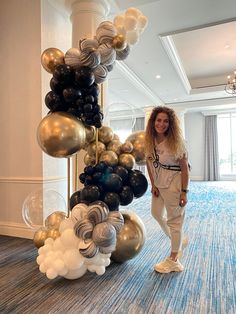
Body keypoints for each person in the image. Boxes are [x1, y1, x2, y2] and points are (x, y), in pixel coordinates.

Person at [145, 106, 189, 274]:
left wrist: (184, 191)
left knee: (175, 220)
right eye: (158, 120)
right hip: (159, 183)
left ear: (170, 124)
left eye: (165, 121)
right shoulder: (149, 140)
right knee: (156, 213)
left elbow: (185, 169)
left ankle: (174, 260)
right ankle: (177, 239)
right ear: (153, 122)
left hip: (175, 183)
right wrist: (153, 184)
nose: (161, 124)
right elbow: (149, 163)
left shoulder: (177, 142)